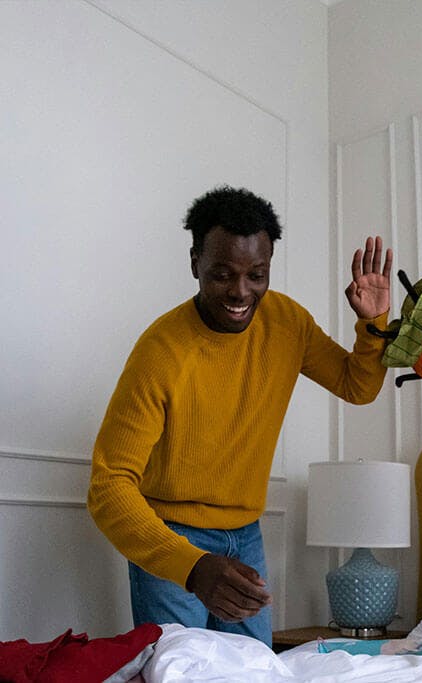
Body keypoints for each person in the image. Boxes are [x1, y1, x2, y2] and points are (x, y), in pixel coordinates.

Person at [88, 185, 392, 647]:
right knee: (181, 673)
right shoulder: (161, 352)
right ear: (195, 264)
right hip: (171, 534)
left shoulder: (288, 323)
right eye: (222, 274)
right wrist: (190, 566)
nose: (240, 291)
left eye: (257, 274)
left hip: (245, 534)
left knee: (253, 670)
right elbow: (108, 486)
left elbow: (358, 386)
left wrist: (374, 324)